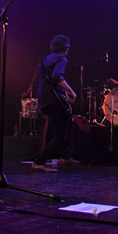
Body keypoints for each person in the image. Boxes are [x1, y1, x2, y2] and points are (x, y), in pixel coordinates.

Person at [32, 35, 78, 172]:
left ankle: (65, 156)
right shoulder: (62, 59)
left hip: (44, 100)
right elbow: (57, 77)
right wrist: (72, 92)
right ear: (66, 48)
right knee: (61, 134)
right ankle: (39, 162)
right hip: (53, 99)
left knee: (68, 122)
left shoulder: (44, 60)